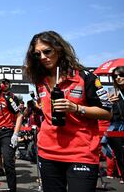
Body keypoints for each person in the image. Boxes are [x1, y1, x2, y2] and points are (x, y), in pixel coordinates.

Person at [23, 30, 112, 192]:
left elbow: (107, 112)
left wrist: (76, 108)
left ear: (59, 49)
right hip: (47, 152)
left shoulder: (85, 77)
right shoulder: (39, 81)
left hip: (81, 152)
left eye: (47, 51)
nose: (43, 57)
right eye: (37, 54)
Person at [105, 66, 124, 183]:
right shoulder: (113, 92)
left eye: (121, 75)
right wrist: (109, 103)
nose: (118, 78)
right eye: (115, 76)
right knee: (119, 156)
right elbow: (107, 114)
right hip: (115, 127)